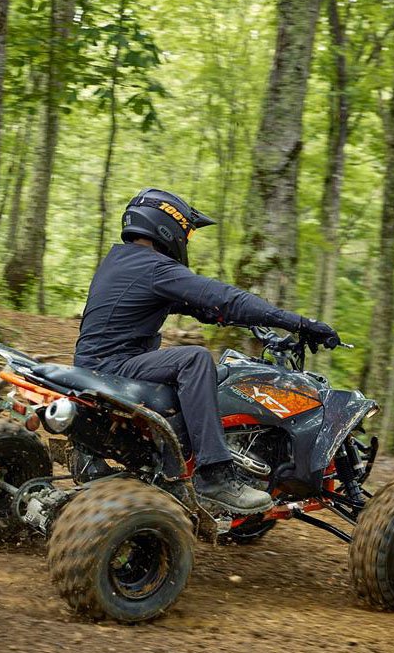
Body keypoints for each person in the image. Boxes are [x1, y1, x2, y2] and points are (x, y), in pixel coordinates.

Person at [74, 188, 340, 514]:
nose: (186, 242)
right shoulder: (156, 267)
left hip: (92, 364)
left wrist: (227, 317)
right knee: (195, 359)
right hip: (115, 365)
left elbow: (198, 304)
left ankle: (118, 458)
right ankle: (214, 475)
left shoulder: (120, 261)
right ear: (168, 227)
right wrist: (298, 323)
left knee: (181, 364)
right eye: (186, 234)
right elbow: (224, 296)